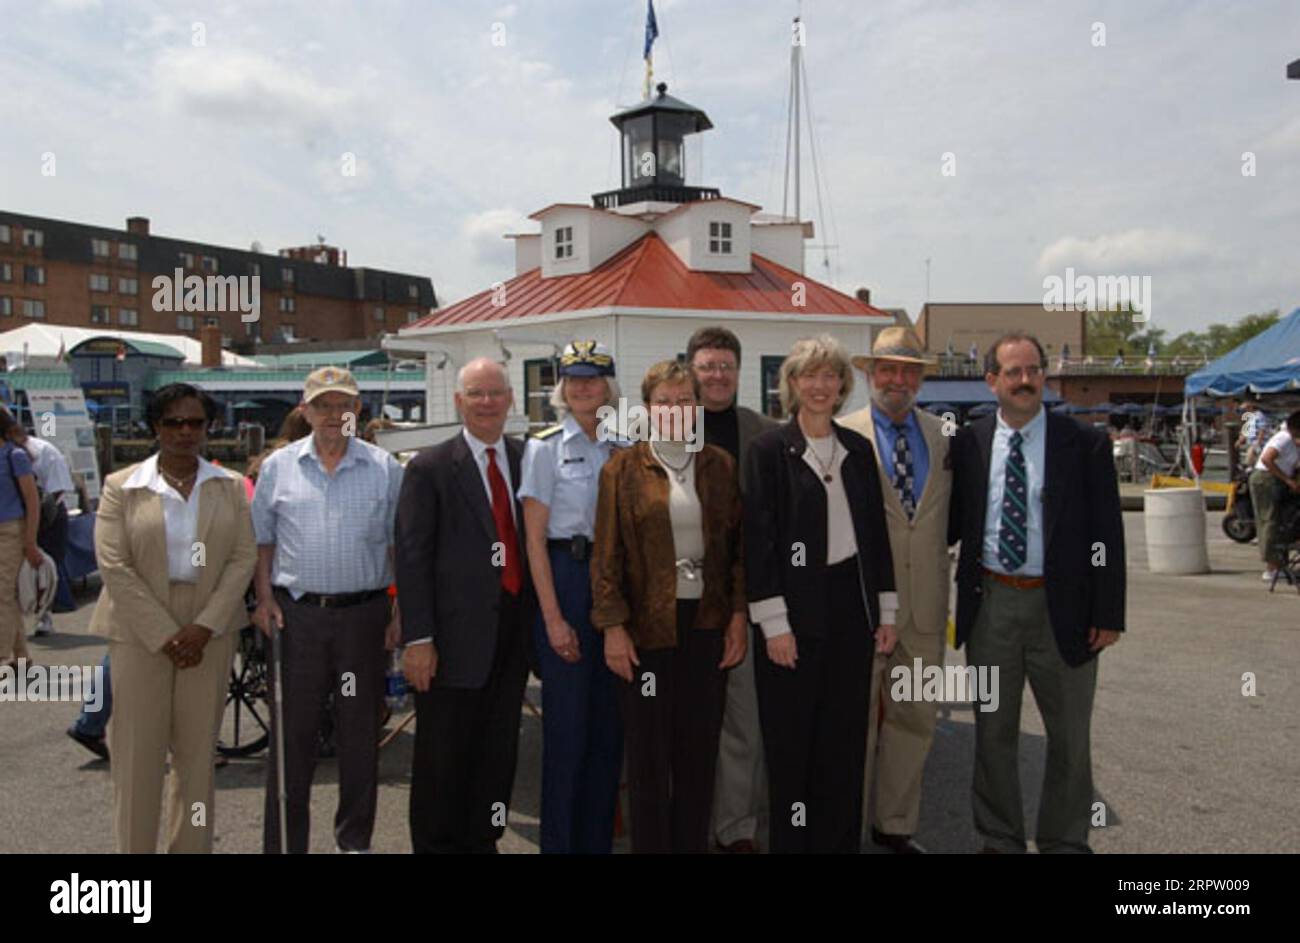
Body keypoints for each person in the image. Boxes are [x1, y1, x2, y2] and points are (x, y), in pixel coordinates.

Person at [948, 332, 1126, 853]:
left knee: (1069, 736)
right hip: (992, 605)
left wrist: (1108, 612)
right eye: (1012, 372)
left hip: (1063, 609)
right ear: (991, 382)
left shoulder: (1084, 444)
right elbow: (950, 522)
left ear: (1044, 376)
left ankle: (1064, 840)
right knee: (993, 734)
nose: (1024, 381)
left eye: (1033, 370)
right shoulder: (970, 443)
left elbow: (1106, 534)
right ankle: (999, 837)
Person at [744, 335, 897, 854]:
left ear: (842, 386)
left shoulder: (857, 451)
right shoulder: (767, 451)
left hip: (850, 615)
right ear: (792, 384)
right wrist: (774, 626)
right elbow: (758, 544)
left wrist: (887, 611)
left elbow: (876, 537)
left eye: (829, 375)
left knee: (843, 746)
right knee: (792, 748)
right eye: (808, 375)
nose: (819, 385)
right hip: (792, 619)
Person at [88, 383, 256, 852]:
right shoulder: (122, 487)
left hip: (210, 627)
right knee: (137, 760)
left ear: (209, 427)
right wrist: (166, 635)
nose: (185, 431)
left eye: (195, 422)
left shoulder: (228, 487)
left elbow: (242, 559)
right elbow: (114, 566)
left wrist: (204, 626)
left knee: (197, 759)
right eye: (173, 422)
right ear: (155, 427)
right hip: (140, 630)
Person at [591, 359, 747, 854]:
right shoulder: (622, 469)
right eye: (665, 401)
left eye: (685, 400)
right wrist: (613, 628)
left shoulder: (719, 465)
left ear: (698, 407)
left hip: (706, 626)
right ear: (648, 408)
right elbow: (605, 557)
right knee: (649, 759)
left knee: (698, 754)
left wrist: (738, 617)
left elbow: (737, 550)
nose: (676, 410)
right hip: (646, 632)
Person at [252, 367, 403, 854]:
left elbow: (403, 547)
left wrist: (401, 614)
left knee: (359, 736)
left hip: (364, 617)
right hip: (299, 618)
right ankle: (284, 846)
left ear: (358, 411)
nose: (334, 415)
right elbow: (262, 543)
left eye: (343, 405)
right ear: (305, 411)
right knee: (293, 739)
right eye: (322, 405)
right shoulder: (278, 467)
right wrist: (264, 598)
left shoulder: (386, 468)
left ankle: (353, 842)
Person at [396, 357, 533, 853]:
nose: (487, 402)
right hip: (449, 643)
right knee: (442, 761)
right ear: (458, 402)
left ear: (511, 400)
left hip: (512, 637)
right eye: (475, 393)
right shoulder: (430, 468)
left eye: (495, 392)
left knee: (497, 755)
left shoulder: (527, 459)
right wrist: (419, 639)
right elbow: (412, 559)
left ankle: (483, 841)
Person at [840, 326, 952, 854]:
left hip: (925, 609)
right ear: (869, 373)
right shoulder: (841, 433)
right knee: (852, 726)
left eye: (910, 370)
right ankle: (843, 826)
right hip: (861, 608)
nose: (899, 380)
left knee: (913, 721)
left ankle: (894, 826)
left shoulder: (943, 436)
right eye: (889, 369)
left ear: (921, 379)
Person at [519, 341, 625, 854]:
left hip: (612, 588)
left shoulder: (624, 448)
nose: (583, 387)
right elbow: (533, 542)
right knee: (567, 735)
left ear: (609, 387)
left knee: (608, 733)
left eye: (593, 378)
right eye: (573, 378)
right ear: (561, 386)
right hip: (565, 579)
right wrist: (553, 619)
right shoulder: (543, 447)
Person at [684, 326, 777, 854]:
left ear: (738, 372)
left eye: (725, 366)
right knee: (686, 719)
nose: (717, 375)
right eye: (707, 366)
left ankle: (737, 827)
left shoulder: (763, 433)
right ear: (692, 372)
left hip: (744, 597)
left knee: (745, 719)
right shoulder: (668, 429)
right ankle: (687, 820)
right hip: (679, 600)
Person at [5, 417, 75, 635]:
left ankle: (45, 615)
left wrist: (36, 524)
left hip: (49, 513)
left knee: (46, 565)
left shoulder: (44, 450)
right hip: (18, 517)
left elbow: (57, 489)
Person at [0, 410, 42, 669]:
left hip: (10, 530)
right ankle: (21, 656)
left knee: (1, 593)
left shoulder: (14, 456)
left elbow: (32, 500)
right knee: (5, 595)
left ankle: (2, 656)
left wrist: (30, 540)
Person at [1249, 410, 1300, 582]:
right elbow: (1267, 459)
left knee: (1283, 521)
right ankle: (1271, 566)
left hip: (1280, 480)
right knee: (1269, 520)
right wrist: (1287, 480)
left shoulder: (1293, 441)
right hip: (1266, 479)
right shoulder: (1283, 438)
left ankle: (1280, 562)